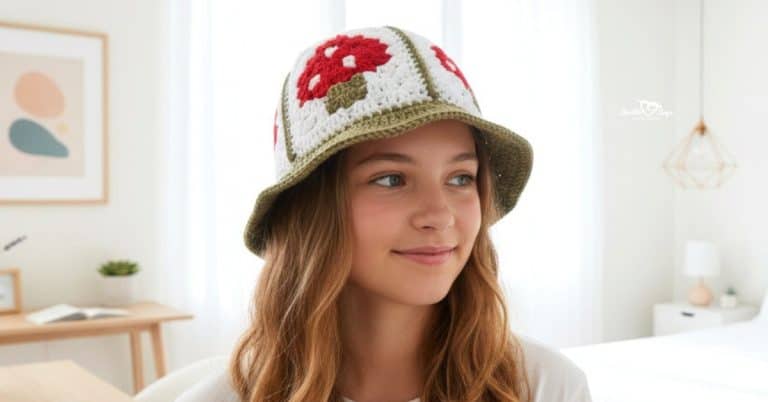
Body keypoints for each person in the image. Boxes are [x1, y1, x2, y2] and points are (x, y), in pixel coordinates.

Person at [176, 25, 592, 402]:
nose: (440, 215)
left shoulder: (546, 388)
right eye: (392, 179)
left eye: (461, 178)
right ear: (311, 211)